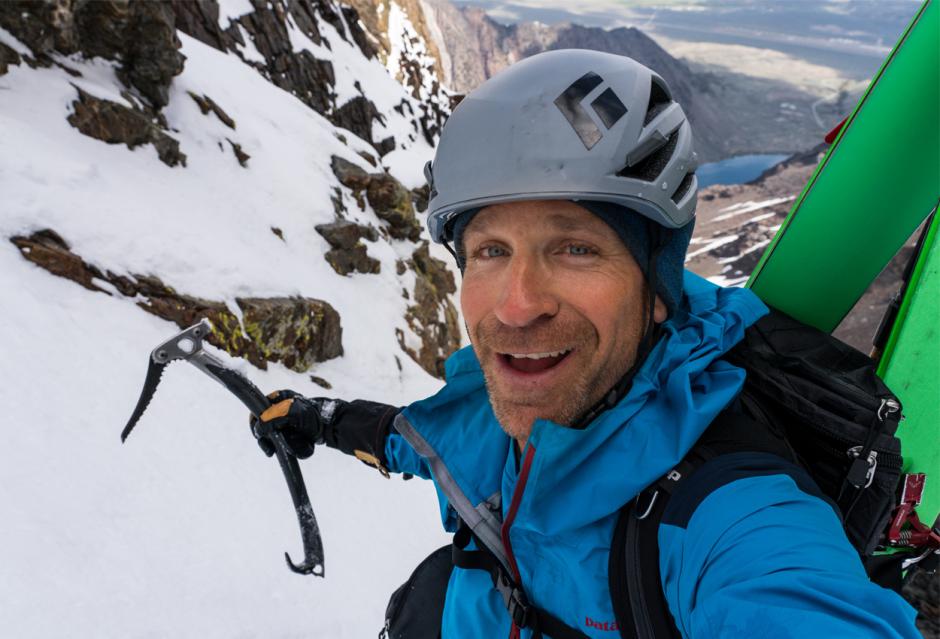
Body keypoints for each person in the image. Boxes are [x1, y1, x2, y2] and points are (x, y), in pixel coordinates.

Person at [252, 50, 920, 638]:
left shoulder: (728, 514)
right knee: (428, 595)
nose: (517, 305)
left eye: (575, 247)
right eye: (489, 250)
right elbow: (421, 441)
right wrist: (322, 420)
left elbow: (795, 597)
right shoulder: (502, 403)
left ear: (656, 287)